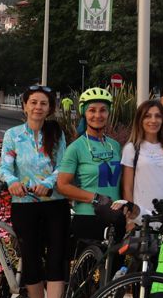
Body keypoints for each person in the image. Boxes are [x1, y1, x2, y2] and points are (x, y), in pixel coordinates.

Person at [0, 83, 70, 298]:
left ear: (49, 108)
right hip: (24, 204)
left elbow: (62, 165)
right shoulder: (13, 135)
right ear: (25, 105)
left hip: (54, 203)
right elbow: (5, 166)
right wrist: (11, 182)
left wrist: (49, 183)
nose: (38, 107)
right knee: (30, 258)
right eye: (34, 102)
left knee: (56, 258)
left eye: (43, 103)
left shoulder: (57, 134)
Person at [56, 87, 130, 246]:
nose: (98, 115)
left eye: (103, 110)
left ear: (109, 113)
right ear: (84, 113)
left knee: (115, 270)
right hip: (87, 218)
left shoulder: (115, 145)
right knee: (87, 270)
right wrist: (95, 198)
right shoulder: (75, 148)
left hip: (115, 217)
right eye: (92, 110)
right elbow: (62, 185)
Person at [123, 98, 163, 216]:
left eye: (158, 116)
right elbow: (127, 188)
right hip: (143, 215)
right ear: (140, 120)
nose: (153, 120)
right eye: (147, 116)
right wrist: (130, 218)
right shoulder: (132, 148)